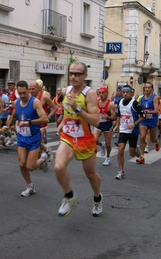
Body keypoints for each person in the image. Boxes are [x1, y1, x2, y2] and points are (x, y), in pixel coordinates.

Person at [54, 62, 103, 217]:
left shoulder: (90, 94)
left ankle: (97, 198)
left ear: (85, 76)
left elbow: (95, 121)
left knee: (90, 174)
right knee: (58, 167)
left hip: (85, 140)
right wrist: (62, 122)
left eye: (77, 74)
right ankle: (69, 196)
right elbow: (66, 110)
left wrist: (78, 108)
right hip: (68, 137)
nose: (73, 77)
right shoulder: (66, 90)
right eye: (71, 73)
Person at [4, 80, 49, 196]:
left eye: (24, 93)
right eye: (20, 93)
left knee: (30, 166)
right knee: (22, 164)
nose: (22, 96)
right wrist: (7, 126)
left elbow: (45, 119)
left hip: (34, 138)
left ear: (28, 90)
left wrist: (29, 122)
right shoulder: (17, 102)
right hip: (22, 138)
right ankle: (30, 186)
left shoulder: (35, 102)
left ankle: (44, 158)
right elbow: (14, 115)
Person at [113, 85, 145, 180]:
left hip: (133, 131)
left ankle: (136, 151)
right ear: (122, 93)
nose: (125, 94)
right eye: (124, 92)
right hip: (123, 130)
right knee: (120, 149)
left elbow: (143, 116)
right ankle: (121, 171)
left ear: (131, 93)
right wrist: (117, 125)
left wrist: (134, 123)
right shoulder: (119, 102)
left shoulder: (135, 103)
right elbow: (119, 115)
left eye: (127, 92)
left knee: (132, 153)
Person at [136, 82, 160, 164]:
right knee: (142, 137)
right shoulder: (141, 98)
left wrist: (147, 112)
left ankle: (156, 141)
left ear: (152, 89)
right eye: (146, 87)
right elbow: (139, 109)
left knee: (152, 139)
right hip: (144, 120)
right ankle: (142, 157)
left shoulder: (155, 98)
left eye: (149, 87)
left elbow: (156, 110)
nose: (147, 89)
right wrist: (139, 112)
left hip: (152, 120)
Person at [94, 86, 116, 166]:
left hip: (107, 124)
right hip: (99, 123)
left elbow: (114, 117)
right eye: (100, 93)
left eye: (103, 93)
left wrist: (108, 117)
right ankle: (101, 145)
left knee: (108, 144)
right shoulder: (96, 101)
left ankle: (108, 157)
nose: (101, 94)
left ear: (106, 94)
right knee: (94, 140)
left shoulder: (110, 104)